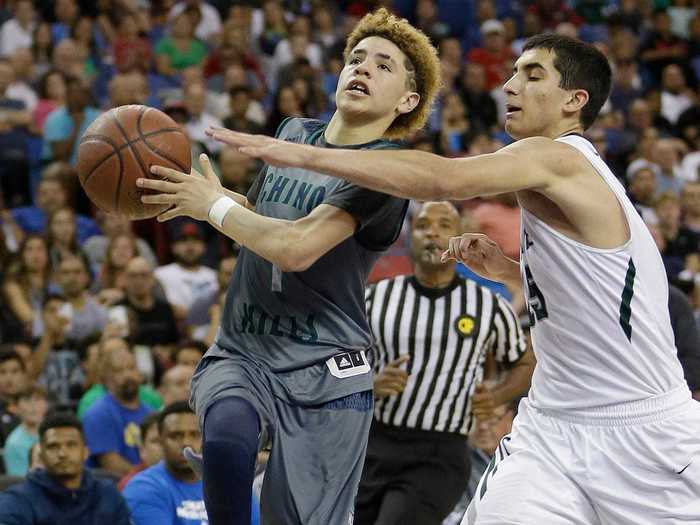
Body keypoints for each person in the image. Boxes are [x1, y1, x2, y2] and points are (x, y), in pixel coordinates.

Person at [213, 33, 700, 524]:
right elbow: (604, 290)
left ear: (576, 101)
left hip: (643, 429)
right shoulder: (554, 180)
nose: (511, 85)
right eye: (513, 73)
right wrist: (511, 271)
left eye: (533, 75)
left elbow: (445, 179)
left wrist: (306, 154)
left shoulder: (560, 157)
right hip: (552, 427)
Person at [138, 8, 441, 525]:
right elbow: (261, 220)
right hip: (247, 349)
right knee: (228, 438)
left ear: (407, 101)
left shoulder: (386, 175)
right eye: (356, 58)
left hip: (325, 371)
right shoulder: (294, 133)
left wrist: (211, 206)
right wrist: (209, 196)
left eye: (384, 65)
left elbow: (296, 247)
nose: (363, 68)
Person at [356, 201, 533, 525]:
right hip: (373, 445)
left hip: (440, 452)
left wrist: (496, 396)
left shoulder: (487, 305)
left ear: (458, 237)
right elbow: (340, 359)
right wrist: (369, 382)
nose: (432, 232)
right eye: (423, 225)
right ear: (410, 237)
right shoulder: (375, 297)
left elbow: (525, 363)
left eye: (444, 225)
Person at [123, 402, 252, 524]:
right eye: (176, 436)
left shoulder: (231, 484)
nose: (186, 442)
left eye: (195, 434)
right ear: (161, 441)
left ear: (206, 438)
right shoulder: (144, 488)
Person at [0, 412, 131, 524]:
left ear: (85, 452)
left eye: (71, 445)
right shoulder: (20, 499)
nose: (62, 454)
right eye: (53, 446)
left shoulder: (107, 494)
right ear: (42, 455)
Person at [82, 337, 154, 477]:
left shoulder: (150, 412)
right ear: (106, 377)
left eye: (131, 368)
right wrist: (149, 479)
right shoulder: (97, 413)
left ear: (139, 373)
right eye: (119, 371)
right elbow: (112, 465)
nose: (127, 375)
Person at [3, 384, 48, 476]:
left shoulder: (56, 433)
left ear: (46, 404)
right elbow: (19, 482)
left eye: (38, 399)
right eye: (27, 400)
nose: (33, 406)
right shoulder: (13, 444)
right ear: (15, 408)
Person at [118, 411, 162, 491]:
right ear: (142, 449)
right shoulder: (131, 485)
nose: (164, 446)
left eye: (170, 439)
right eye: (157, 441)